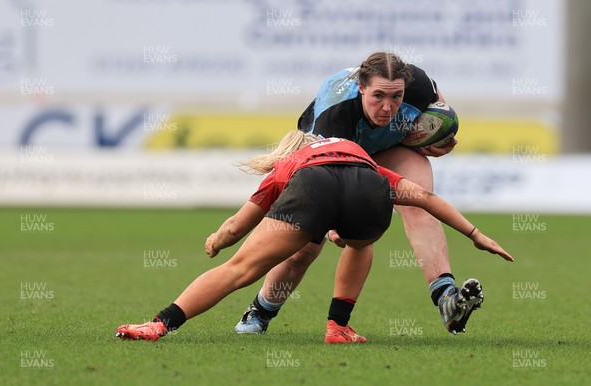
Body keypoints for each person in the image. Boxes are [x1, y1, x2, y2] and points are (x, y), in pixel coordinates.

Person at [115, 132, 513, 343]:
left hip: (314, 186)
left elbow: (239, 225)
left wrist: (218, 238)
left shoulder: (294, 162)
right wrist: (476, 234)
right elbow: (424, 198)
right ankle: (338, 327)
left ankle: (161, 324)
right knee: (360, 243)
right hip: (367, 186)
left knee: (240, 270)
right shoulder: (359, 153)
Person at [233, 52, 480, 340]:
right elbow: (334, 182)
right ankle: (260, 311)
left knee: (420, 203)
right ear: (362, 89)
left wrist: (438, 137)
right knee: (303, 250)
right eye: (378, 97)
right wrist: (336, 223)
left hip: (382, 152)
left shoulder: (419, 84)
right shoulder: (334, 116)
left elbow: (439, 106)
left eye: (396, 97)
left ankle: (446, 297)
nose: (388, 108)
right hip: (327, 159)